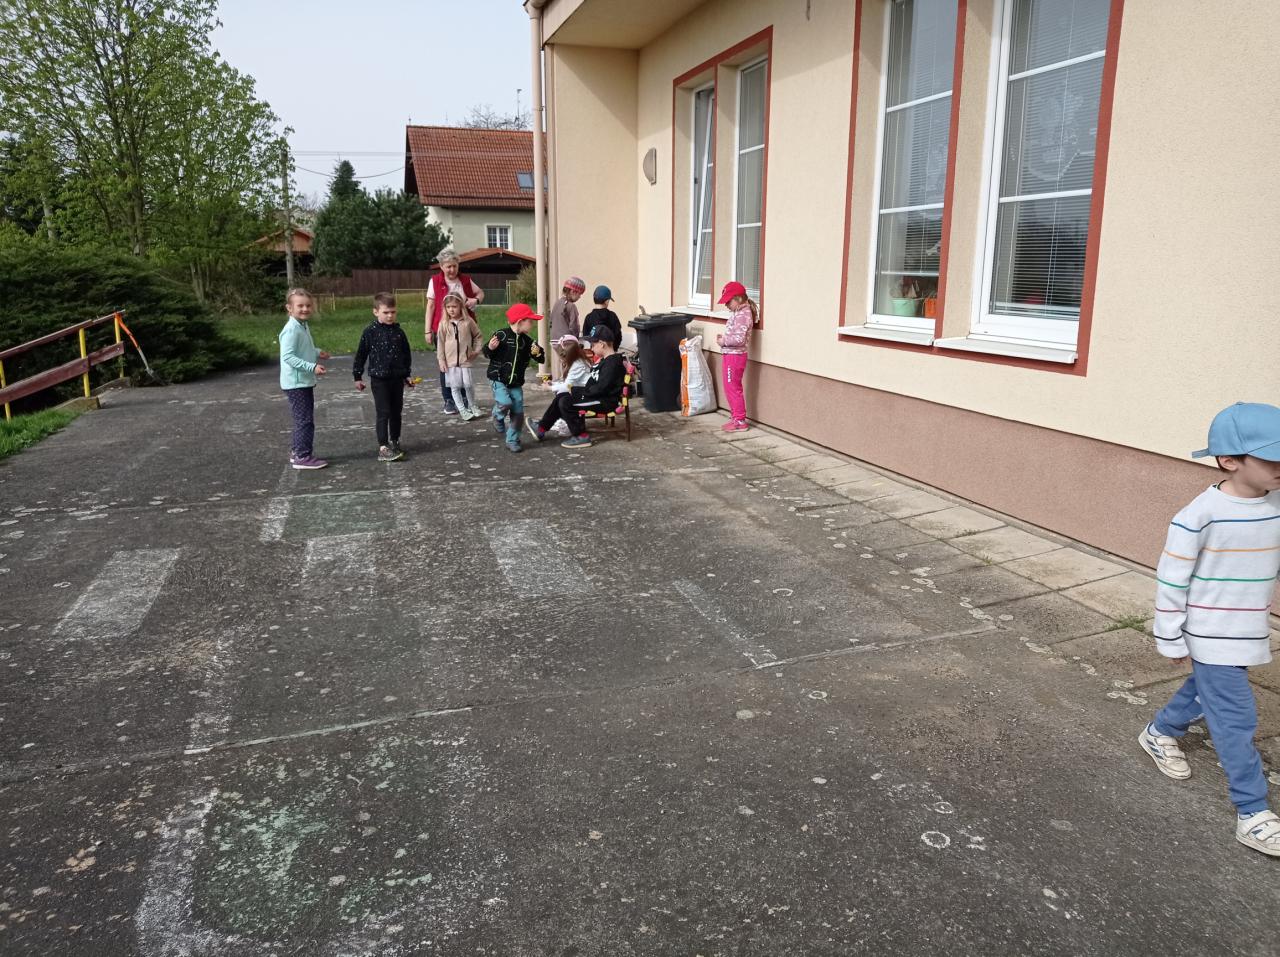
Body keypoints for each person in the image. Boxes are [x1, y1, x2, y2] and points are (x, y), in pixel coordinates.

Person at [1139, 402, 1280, 857]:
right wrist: (1170, 634)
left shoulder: (1275, 504)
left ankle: (1159, 731)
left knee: (1207, 691)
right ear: (1229, 461)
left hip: (1248, 628)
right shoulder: (1200, 515)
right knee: (1236, 718)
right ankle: (1252, 811)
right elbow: (1172, 579)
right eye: (1272, 458)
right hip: (1210, 631)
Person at [527, 326, 624, 450]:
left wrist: (579, 392)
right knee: (562, 396)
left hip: (604, 401)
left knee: (565, 402)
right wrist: (576, 391)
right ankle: (541, 428)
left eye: (593, 344)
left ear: (602, 344)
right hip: (595, 396)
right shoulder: (605, 360)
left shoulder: (612, 364)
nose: (591, 348)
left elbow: (601, 388)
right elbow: (595, 384)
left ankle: (581, 435)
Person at [353, 292, 415, 462]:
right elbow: (361, 355)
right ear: (376, 312)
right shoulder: (370, 332)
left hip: (397, 379)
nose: (390, 316)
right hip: (379, 379)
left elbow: (406, 355)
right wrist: (357, 376)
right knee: (383, 412)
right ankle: (383, 447)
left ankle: (395, 441)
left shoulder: (399, 332)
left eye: (393, 312)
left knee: (396, 412)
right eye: (386, 312)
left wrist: (407, 375)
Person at [424, 248, 484, 415]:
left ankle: (465, 398)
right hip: (444, 329)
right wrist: (427, 331)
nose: (452, 270)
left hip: (464, 328)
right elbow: (430, 306)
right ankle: (449, 399)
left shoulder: (465, 280)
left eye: (454, 266)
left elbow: (480, 292)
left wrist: (475, 300)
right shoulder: (435, 281)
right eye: (448, 266)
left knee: (464, 363)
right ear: (441, 266)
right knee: (446, 365)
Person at [278, 287, 330, 470]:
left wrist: (317, 352)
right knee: (305, 420)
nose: (305, 309)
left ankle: (297, 452)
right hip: (296, 383)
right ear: (289, 308)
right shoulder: (291, 329)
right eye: (300, 306)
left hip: (302, 381)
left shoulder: (301, 325)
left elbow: (303, 349)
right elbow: (288, 357)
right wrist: (312, 367)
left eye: (308, 305)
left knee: (303, 418)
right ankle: (302, 456)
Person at [483, 303, 544, 453]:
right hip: (498, 379)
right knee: (504, 402)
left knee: (518, 412)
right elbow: (486, 352)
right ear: (520, 321)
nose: (532, 325)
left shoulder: (527, 341)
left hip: (515, 383)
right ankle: (497, 416)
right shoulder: (501, 335)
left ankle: (513, 440)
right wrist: (490, 348)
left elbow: (541, 358)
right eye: (530, 321)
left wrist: (537, 353)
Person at [528, 334, 594, 441]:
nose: (561, 356)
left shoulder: (578, 364)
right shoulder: (577, 361)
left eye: (563, 354)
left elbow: (567, 386)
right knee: (560, 398)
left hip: (585, 394)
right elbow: (569, 383)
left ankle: (578, 434)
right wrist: (553, 384)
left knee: (563, 400)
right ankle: (541, 428)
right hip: (580, 392)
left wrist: (549, 388)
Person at [715, 280, 758, 433]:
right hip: (730, 354)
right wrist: (725, 339)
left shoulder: (743, 314)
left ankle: (740, 420)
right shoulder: (738, 312)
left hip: (735, 357)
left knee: (733, 388)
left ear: (738, 298)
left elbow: (739, 340)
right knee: (729, 387)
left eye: (728, 301)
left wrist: (723, 341)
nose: (726, 305)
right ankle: (736, 418)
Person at [436, 291, 484, 420]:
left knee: (468, 384)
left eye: (454, 306)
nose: (451, 309)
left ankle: (472, 406)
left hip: (465, 360)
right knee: (455, 386)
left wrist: (476, 350)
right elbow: (440, 343)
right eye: (448, 307)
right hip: (450, 362)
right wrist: (441, 360)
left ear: (461, 306)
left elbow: (478, 336)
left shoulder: (468, 321)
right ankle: (462, 410)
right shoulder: (443, 324)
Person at [548, 276, 586, 380]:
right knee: (572, 365)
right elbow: (574, 326)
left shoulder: (557, 303)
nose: (580, 297)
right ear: (573, 291)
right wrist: (576, 340)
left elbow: (551, 321)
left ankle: (564, 382)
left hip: (555, 340)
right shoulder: (571, 306)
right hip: (566, 341)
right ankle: (567, 384)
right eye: (579, 294)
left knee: (565, 362)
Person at [581, 284, 622, 354]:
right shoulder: (612, 316)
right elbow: (618, 336)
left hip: (595, 353)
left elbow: (586, 336)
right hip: (610, 353)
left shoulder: (589, 317)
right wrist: (614, 349)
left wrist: (594, 348)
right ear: (607, 301)